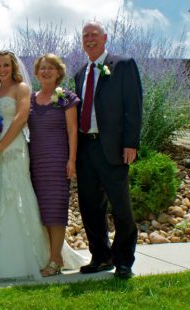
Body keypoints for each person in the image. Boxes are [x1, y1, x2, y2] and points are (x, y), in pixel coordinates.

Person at [0, 51, 87, 279]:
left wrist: (1, 147)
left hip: (14, 150)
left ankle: (38, 258)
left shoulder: (22, 89)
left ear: (13, 67)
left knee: (17, 196)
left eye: (6, 65)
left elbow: (20, 119)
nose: (2, 69)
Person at [75, 21, 142, 279]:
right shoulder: (80, 72)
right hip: (85, 148)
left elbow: (133, 106)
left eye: (94, 35)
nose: (89, 39)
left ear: (105, 38)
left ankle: (124, 260)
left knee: (121, 206)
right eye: (85, 36)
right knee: (90, 206)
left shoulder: (123, 65)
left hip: (113, 148)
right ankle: (101, 257)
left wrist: (131, 143)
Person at [28, 53, 79, 276]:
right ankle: (47, 255)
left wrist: (72, 160)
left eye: (51, 68)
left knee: (56, 209)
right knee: (40, 210)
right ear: (37, 73)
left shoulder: (66, 97)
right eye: (42, 68)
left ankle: (56, 259)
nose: (46, 71)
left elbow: (72, 130)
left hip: (58, 160)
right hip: (35, 161)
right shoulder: (29, 99)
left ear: (59, 72)